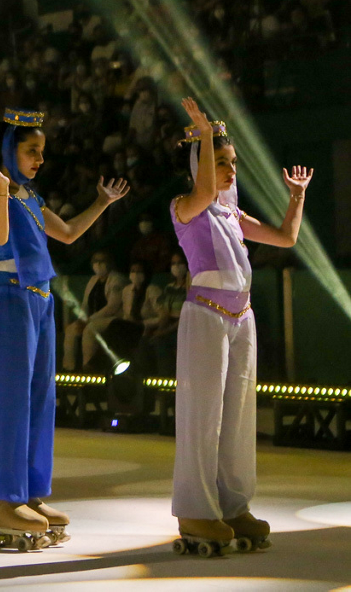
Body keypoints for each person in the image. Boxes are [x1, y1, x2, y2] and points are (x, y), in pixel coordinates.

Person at [0, 107, 128, 548]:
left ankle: (29, 493)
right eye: (31, 151)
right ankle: (2, 500)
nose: (40, 159)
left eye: (42, 151)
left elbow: (70, 233)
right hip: (10, 298)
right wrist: (0, 187)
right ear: (9, 151)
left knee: (41, 399)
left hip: (40, 299)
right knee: (12, 401)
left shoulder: (31, 196)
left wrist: (102, 202)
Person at [169, 98, 310, 553]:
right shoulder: (186, 207)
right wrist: (204, 135)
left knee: (238, 419)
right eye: (220, 162)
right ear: (199, 166)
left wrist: (297, 195)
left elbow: (286, 237)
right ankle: (195, 509)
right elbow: (204, 192)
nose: (230, 171)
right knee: (203, 416)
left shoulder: (232, 214)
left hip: (241, 318)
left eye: (233, 163)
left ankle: (233, 506)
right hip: (206, 316)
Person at [61, 251, 125, 371]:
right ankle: (69, 367)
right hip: (91, 319)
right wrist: (82, 319)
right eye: (96, 261)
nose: (98, 264)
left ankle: (88, 366)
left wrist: (89, 320)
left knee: (90, 329)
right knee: (71, 330)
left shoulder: (117, 280)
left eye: (102, 261)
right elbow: (85, 303)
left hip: (113, 319)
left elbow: (112, 307)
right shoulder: (93, 280)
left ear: (109, 263)